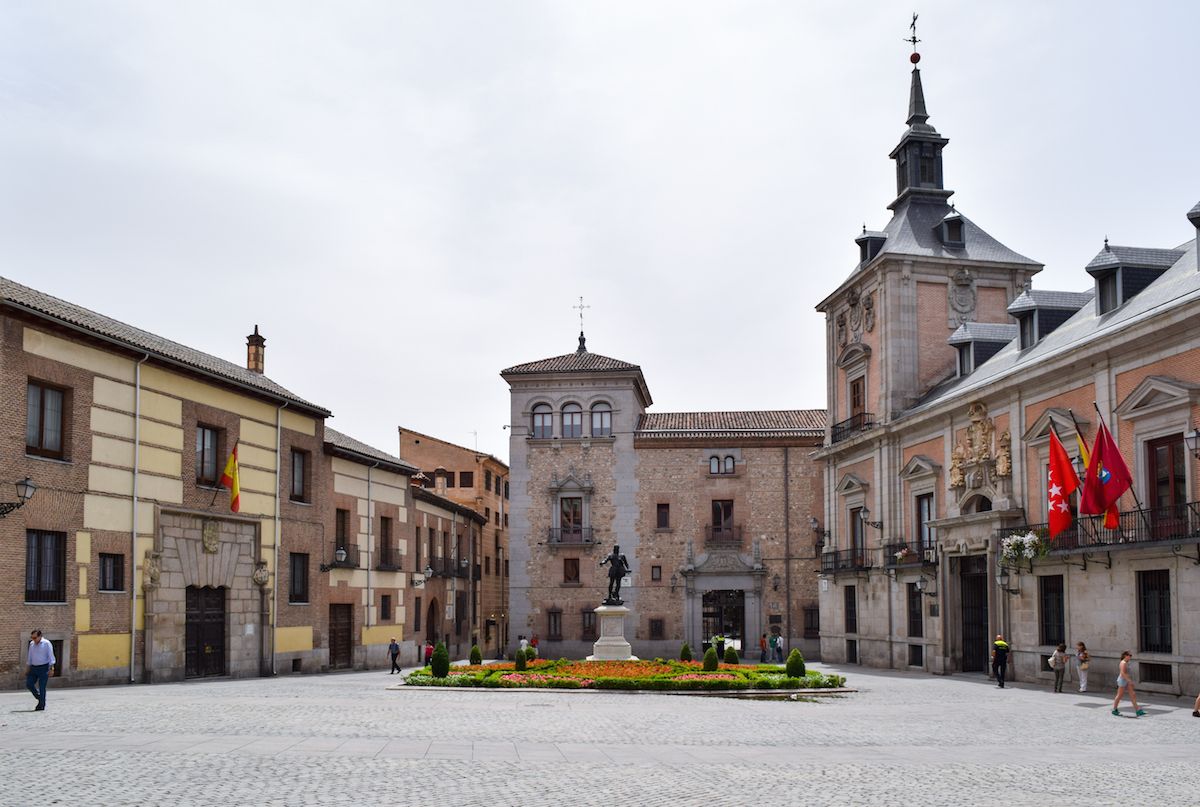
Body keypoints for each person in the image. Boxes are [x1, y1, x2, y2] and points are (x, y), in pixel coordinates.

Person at [26, 629, 55, 711]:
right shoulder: (32, 644)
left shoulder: (46, 643)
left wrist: (51, 669)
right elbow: (30, 657)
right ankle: (39, 697)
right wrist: (28, 668)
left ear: (40, 636)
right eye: (32, 638)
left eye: (35, 638)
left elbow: (51, 657)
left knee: (42, 687)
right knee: (29, 684)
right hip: (33, 668)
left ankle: (41, 705)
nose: (33, 639)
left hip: (44, 668)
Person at [1112, 650, 1146, 717]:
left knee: (1133, 695)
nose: (1130, 657)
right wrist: (1129, 681)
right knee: (1119, 695)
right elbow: (1122, 673)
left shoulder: (1127, 662)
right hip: (1123, 680)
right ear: (1125, 655)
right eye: (1129, 655)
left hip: (1127, 680)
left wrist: (1129, 680)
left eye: (1131, 656)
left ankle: (1138, 710)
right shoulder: (1123, 663)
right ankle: (1114, 709)